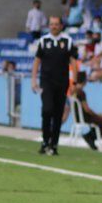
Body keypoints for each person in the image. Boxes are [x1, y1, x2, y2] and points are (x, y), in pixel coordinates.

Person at [31, 16, 77, 155]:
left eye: (56, 24)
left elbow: (73, 62)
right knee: (47, 110)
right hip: (46, 81)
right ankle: (45, 141)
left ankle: (54, 144)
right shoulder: (44, 41)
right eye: (51, 24)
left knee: (58, 114)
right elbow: (37, 61)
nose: (53, 26)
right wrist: (33, 79)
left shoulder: (68, 41)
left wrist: (73, 81)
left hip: (62, 82)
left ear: (61, 26)